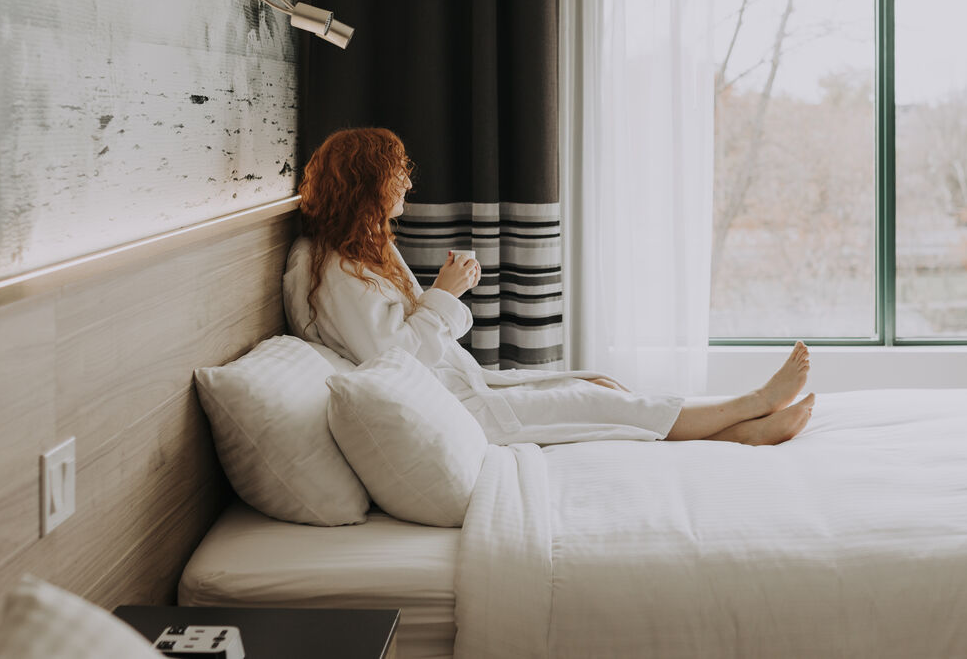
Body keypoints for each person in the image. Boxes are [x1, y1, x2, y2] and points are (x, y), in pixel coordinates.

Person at [283, 127, 815, 447]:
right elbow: (393, 361)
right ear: (366, 182)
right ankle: (753, 404)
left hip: (463, 388)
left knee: (602, 385)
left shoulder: (365, 252)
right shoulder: (333, 273)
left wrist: (447, 293)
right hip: (454, 412)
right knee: (603, 404)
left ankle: (744, 432)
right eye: (398, 173)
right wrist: (445, 293)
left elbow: (424, 332)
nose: (408, 183)